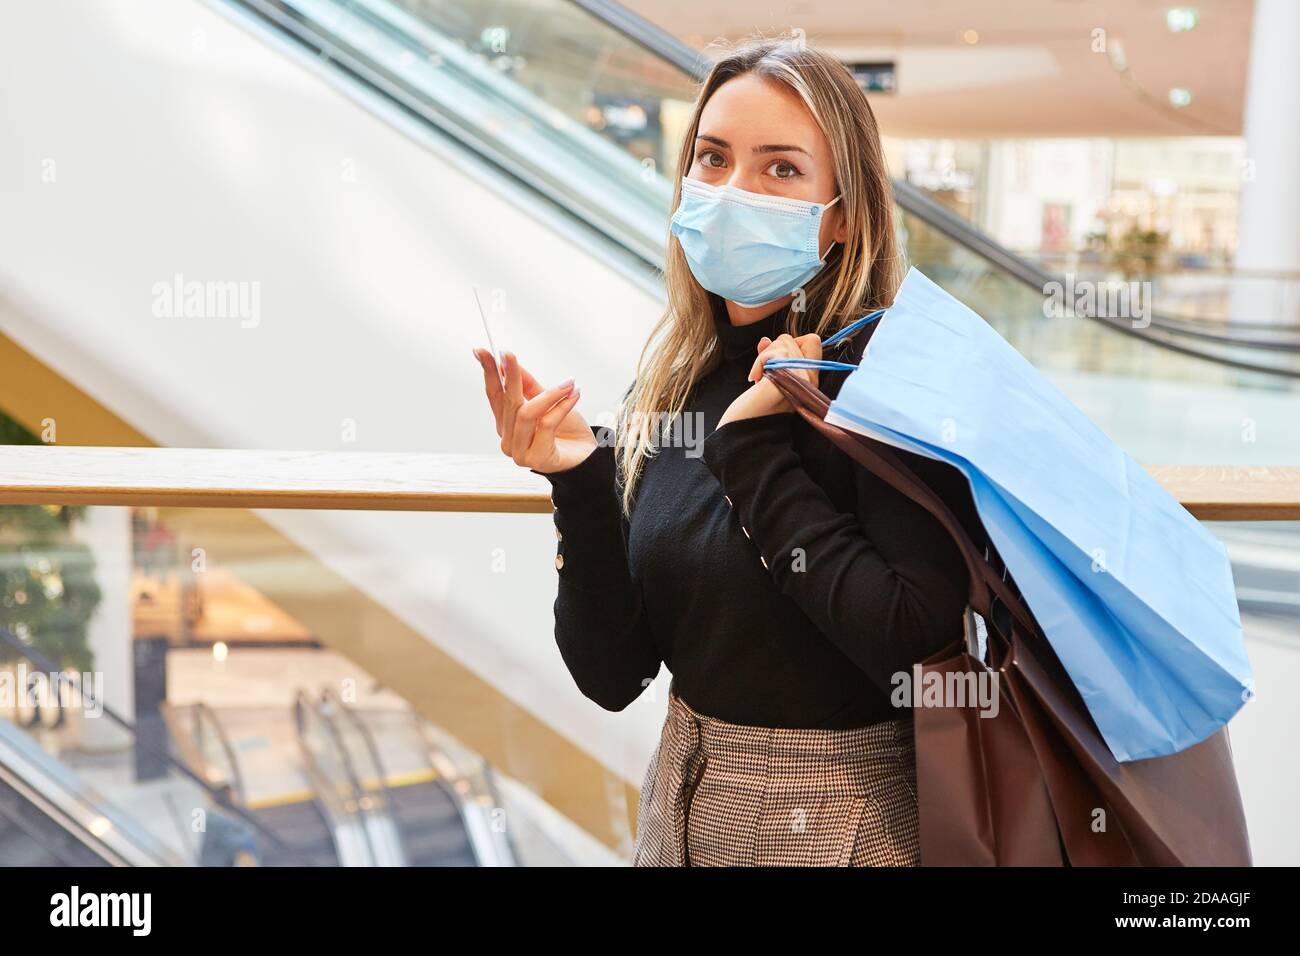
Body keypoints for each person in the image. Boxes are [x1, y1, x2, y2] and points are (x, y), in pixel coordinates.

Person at [473, 36, 978, 867]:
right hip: (683, 801)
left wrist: (753, 450)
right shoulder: (675, 382)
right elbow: (613, 673)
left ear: (843, 214)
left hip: (836, 823)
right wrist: (580, 479)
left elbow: (910, 640)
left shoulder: (883, 377)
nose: (732, 190)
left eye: (781, 170)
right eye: (712, 159)